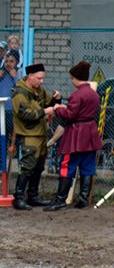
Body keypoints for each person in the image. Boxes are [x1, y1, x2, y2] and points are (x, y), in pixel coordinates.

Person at [44, 61, 102, 211]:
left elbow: (71, 114)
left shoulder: (76, 95)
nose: (71, 81)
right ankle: (83, 199)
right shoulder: (94, 94)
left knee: (66, 165)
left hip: (76, 134)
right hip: (90, 133)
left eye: (72, 78)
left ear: (76, 78)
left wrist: (57, 109)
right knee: (87, 166)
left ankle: (60, 199)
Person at [11, 63, 61, 210]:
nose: (41, 81)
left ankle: (33, 196)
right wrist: (46, 111)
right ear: (30, 76)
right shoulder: (20, 93)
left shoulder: (38, 90)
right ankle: (18, 198)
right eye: (39, 78)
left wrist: (57, 99)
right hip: (29, 135)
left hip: (40, 134)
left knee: (38, 167)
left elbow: (48, 103)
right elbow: (25, 115)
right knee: (27, 168)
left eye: (43, 78)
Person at [0, 52, 17, 139]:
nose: (8, 64)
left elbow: (22, 89)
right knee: (3, 137)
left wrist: (15, 77)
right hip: (1, 110)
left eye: (11, 61)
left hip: (12, 111)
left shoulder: (18, 74)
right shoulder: (2, 74)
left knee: (15, 138)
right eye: (6, 61)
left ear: (16, 62)